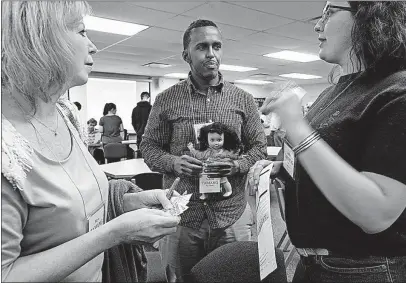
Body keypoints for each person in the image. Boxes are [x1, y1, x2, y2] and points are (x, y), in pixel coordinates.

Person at [1, 2, 180, 282]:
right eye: (82, 32)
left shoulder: (65, 114)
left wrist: (129, 202)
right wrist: (115, 233)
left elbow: (79, 203)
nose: (94, 47)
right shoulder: (5, 147)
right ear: (38, 38)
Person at [248, 2, 406, 282]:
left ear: (370, 15)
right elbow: (332, 159)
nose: (317, 25)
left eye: (329, 12)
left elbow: (377, 213)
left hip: (364, 268)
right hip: (312, 260)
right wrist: (280, 168)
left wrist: (297, 127)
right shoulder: (333, 92)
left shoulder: (397, 91)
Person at [140, 19, 267, 282]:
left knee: (234, 277)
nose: (211, 54)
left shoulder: (242, 99)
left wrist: (236, 165)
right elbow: (149, 148)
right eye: (202, 47)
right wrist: (174, 162)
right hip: (184, 215)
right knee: (186, 278)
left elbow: (259, 148)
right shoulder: (167, 100)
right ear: (186, 54)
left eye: (217, 46)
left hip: (231, 213)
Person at [187, 122, 243, 199]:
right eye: (212, 140)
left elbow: (233, 156)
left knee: (224, 180)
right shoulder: (207, 152)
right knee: (204, 180)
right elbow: (199, 155)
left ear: (224, 139)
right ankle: (205, 194)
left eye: (219, 140)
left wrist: (238, 154)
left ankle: (229, 190)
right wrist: (192, 149)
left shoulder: (225, 151)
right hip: (209, 170)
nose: (216, 143)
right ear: (207, 140)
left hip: (220, 169)